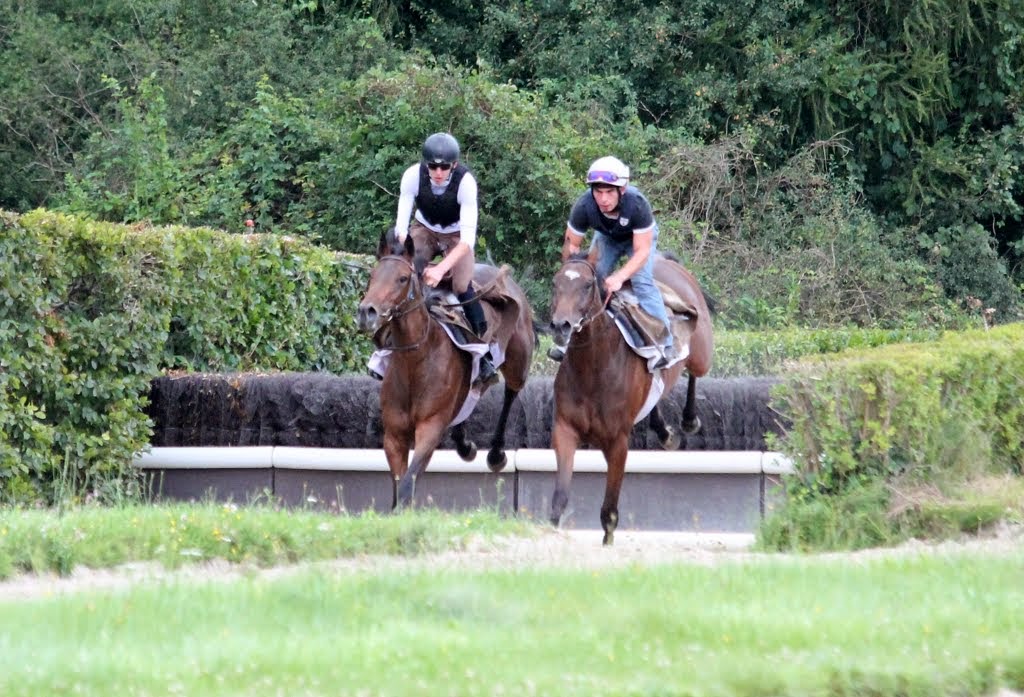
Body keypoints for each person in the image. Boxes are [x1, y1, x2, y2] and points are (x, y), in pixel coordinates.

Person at [551, 155, 677, 367]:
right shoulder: (583, 206)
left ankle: (666, 344)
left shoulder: (637, 205)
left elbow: (642, 251)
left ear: (622, 189)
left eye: (609, 192)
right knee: (587, 280)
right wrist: (572, 273)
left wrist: (619, 276)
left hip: (637, 240)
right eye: (598, 192)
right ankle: (567, 338)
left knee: (642, 283)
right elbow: (571, 247)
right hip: (607, 238)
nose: (603, 199)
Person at [393, 132, 497, 386]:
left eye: (444, 167)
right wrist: (406, 260)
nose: (438, 172)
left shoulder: (466, 183)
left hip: (456, 234)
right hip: (424, 229)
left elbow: (467, 243)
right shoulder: (411, 176)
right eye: (433, 166)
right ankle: (386, 344)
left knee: (461, 285)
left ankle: (483, 355)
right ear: (425, 164)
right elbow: (401, 229)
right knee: (403, 275)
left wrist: (440, 269)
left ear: (454, 166)